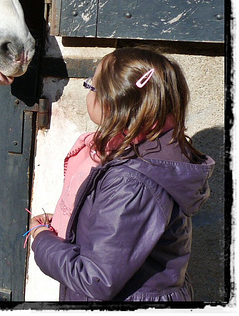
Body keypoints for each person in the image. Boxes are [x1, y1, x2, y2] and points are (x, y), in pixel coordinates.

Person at [28, 47, 215, 301]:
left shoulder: (133, 181)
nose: (88, 92)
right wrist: (75, 221)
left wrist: (40, 240)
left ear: (114, 105)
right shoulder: (144, 153)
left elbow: (95, 279)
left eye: (90, 86)